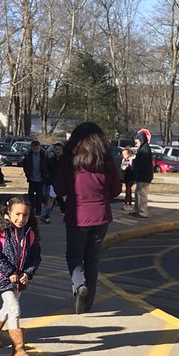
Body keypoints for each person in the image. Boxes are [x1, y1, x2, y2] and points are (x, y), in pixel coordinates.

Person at [53, 122, 121, 314]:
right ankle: (87, 302)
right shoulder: (106, 161)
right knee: (92, 259)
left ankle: (79, 284)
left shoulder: (70, 160)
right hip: (100, 216)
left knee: (74, 256)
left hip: (77, 216)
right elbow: (116, 190)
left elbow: (59, 187)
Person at [0, 195, 42, 356]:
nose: (21, 218)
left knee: (8, 309)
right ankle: (18, 349)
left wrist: (27, 273)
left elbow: (35, 257)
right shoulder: (0, 231)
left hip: (19, 280)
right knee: (15, 309)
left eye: (25, 215)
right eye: (17, 214)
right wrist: (9, 271)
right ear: (8, 212)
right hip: (2, 278)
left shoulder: (30, 234)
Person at [129, 129, 154, 218]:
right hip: (141, 176)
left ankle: (143, 212)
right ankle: (137, 210)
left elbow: (142, 164)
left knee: (142, 193)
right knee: (137, 193)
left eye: (136, 142)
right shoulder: (142, 148)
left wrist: (135, 167)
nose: (135, 144)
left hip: (144, 176)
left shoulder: (144, 149)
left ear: (141, 140)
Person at [20, 139, 48, 214]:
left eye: (38, 148)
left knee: (39, 196)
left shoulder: (43, 156)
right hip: (32, 179)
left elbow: (46, 166)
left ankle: (38, 211)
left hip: (40, 179)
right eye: (34, 149)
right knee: (31, 196)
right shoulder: (28, 156)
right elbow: (25, 166)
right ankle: (31, 210)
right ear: (32, 149)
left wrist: (45, 175)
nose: (36, 150)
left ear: (40, 148)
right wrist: (27, 174)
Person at [41, 142, 65, 222]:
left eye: (59, 149)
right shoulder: (51, 160)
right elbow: (48, 170)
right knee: (51, 198)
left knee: (65, 199)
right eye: (56, 149)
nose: (58, 151)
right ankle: (47, 215)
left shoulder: (65, 161)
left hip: (64, 183)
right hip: (54, 182)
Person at [120, 145, 135, 211]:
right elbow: (122, 167)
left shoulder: (132, 160)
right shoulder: (124, 160)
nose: (124, 156)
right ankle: (126, 203)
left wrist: (128, 167)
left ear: (129, 154)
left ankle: (128, 203)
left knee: (128, 189)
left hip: (131, 176)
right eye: (123, 154)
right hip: (126, 176)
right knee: (127, 190)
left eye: (126, 154)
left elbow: (133, 168)